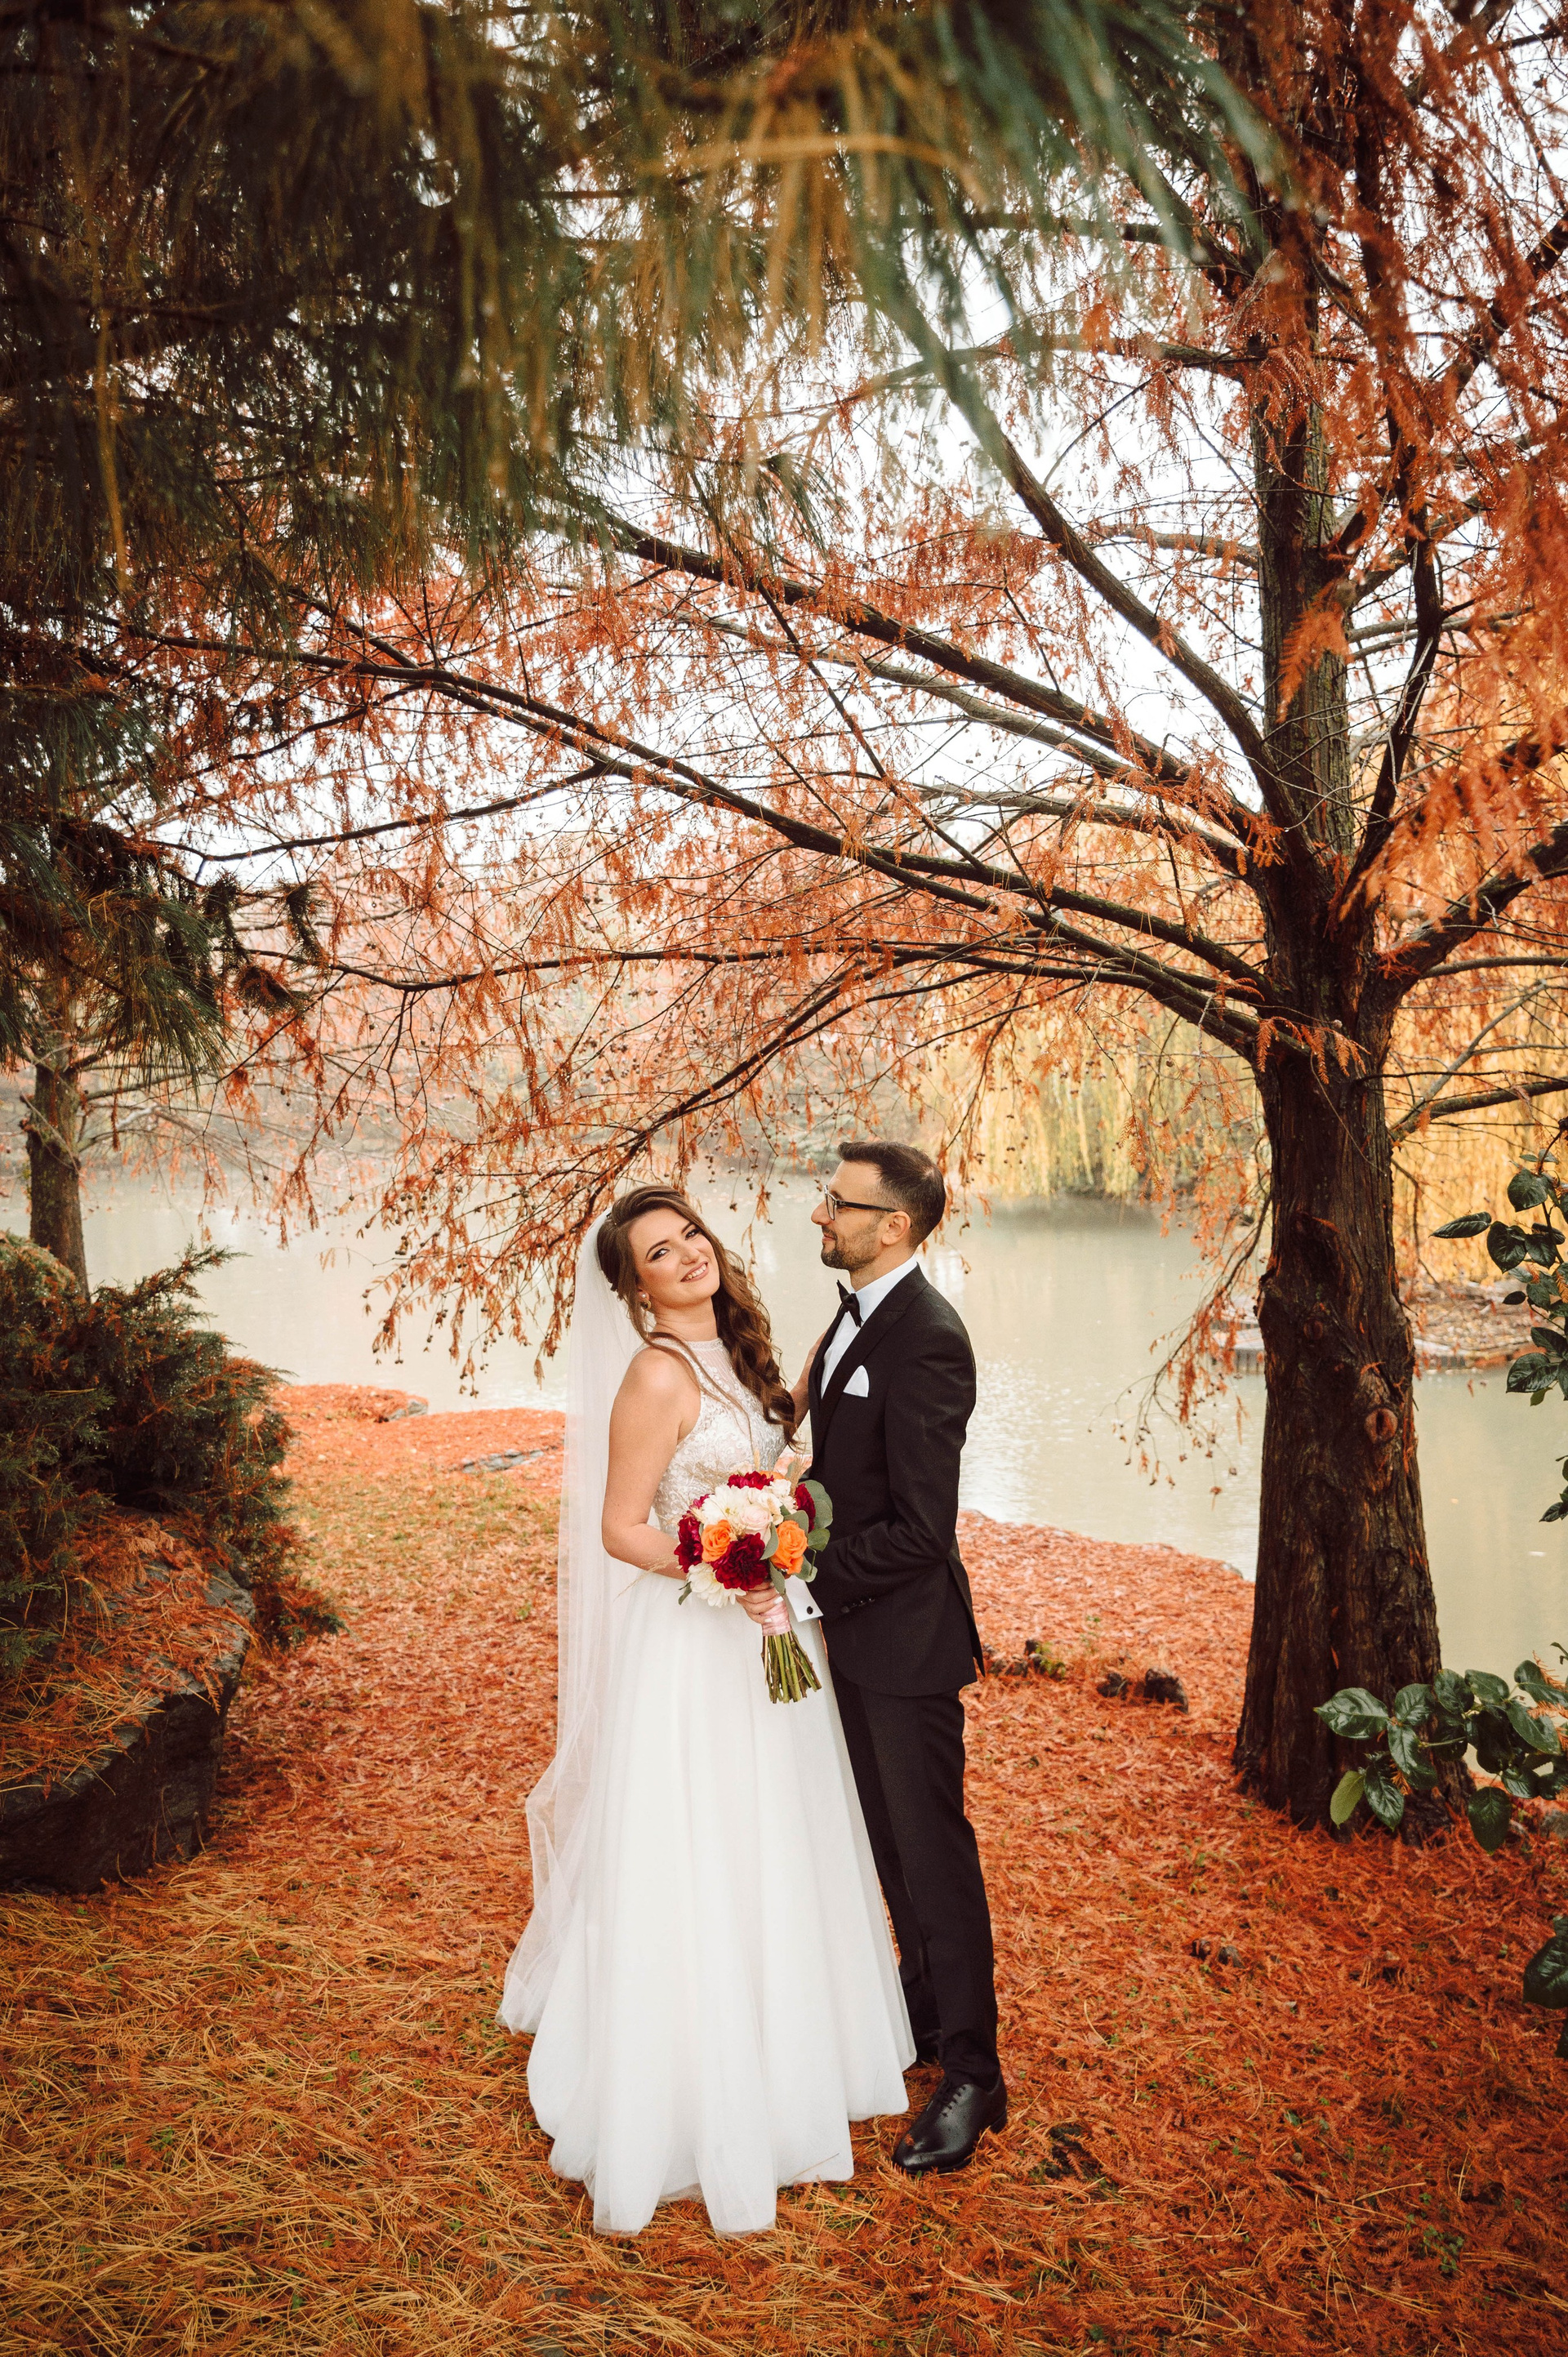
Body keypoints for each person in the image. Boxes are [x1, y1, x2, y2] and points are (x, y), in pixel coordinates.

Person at [498, 1185, 912, 2236]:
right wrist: (724, 1567)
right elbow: (620, 1526)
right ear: (636, 1290)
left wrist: (783, 1526)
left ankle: (794, 2050)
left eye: (690, 1235)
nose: (687, 1255)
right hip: (695, 1639)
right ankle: (692, 2077)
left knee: (781, 1835)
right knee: (705, 1839)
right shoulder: (655, 1373)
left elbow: (775, 1460)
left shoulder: (743, 1353)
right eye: (658, 1252)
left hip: (770, 1628)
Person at [742, 1139, 1004, 2173]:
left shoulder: (929, 1339)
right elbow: (846, 1475)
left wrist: (800, 1576)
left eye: (839, 1205)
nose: (821, 1216)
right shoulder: (854, 1316)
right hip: (851, 1635)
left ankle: (976, 2074)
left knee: (933, 1855)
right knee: (887, 1848)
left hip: (905, 1643)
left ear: (893, 1226)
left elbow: (923, 1533)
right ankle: (925, 2013)